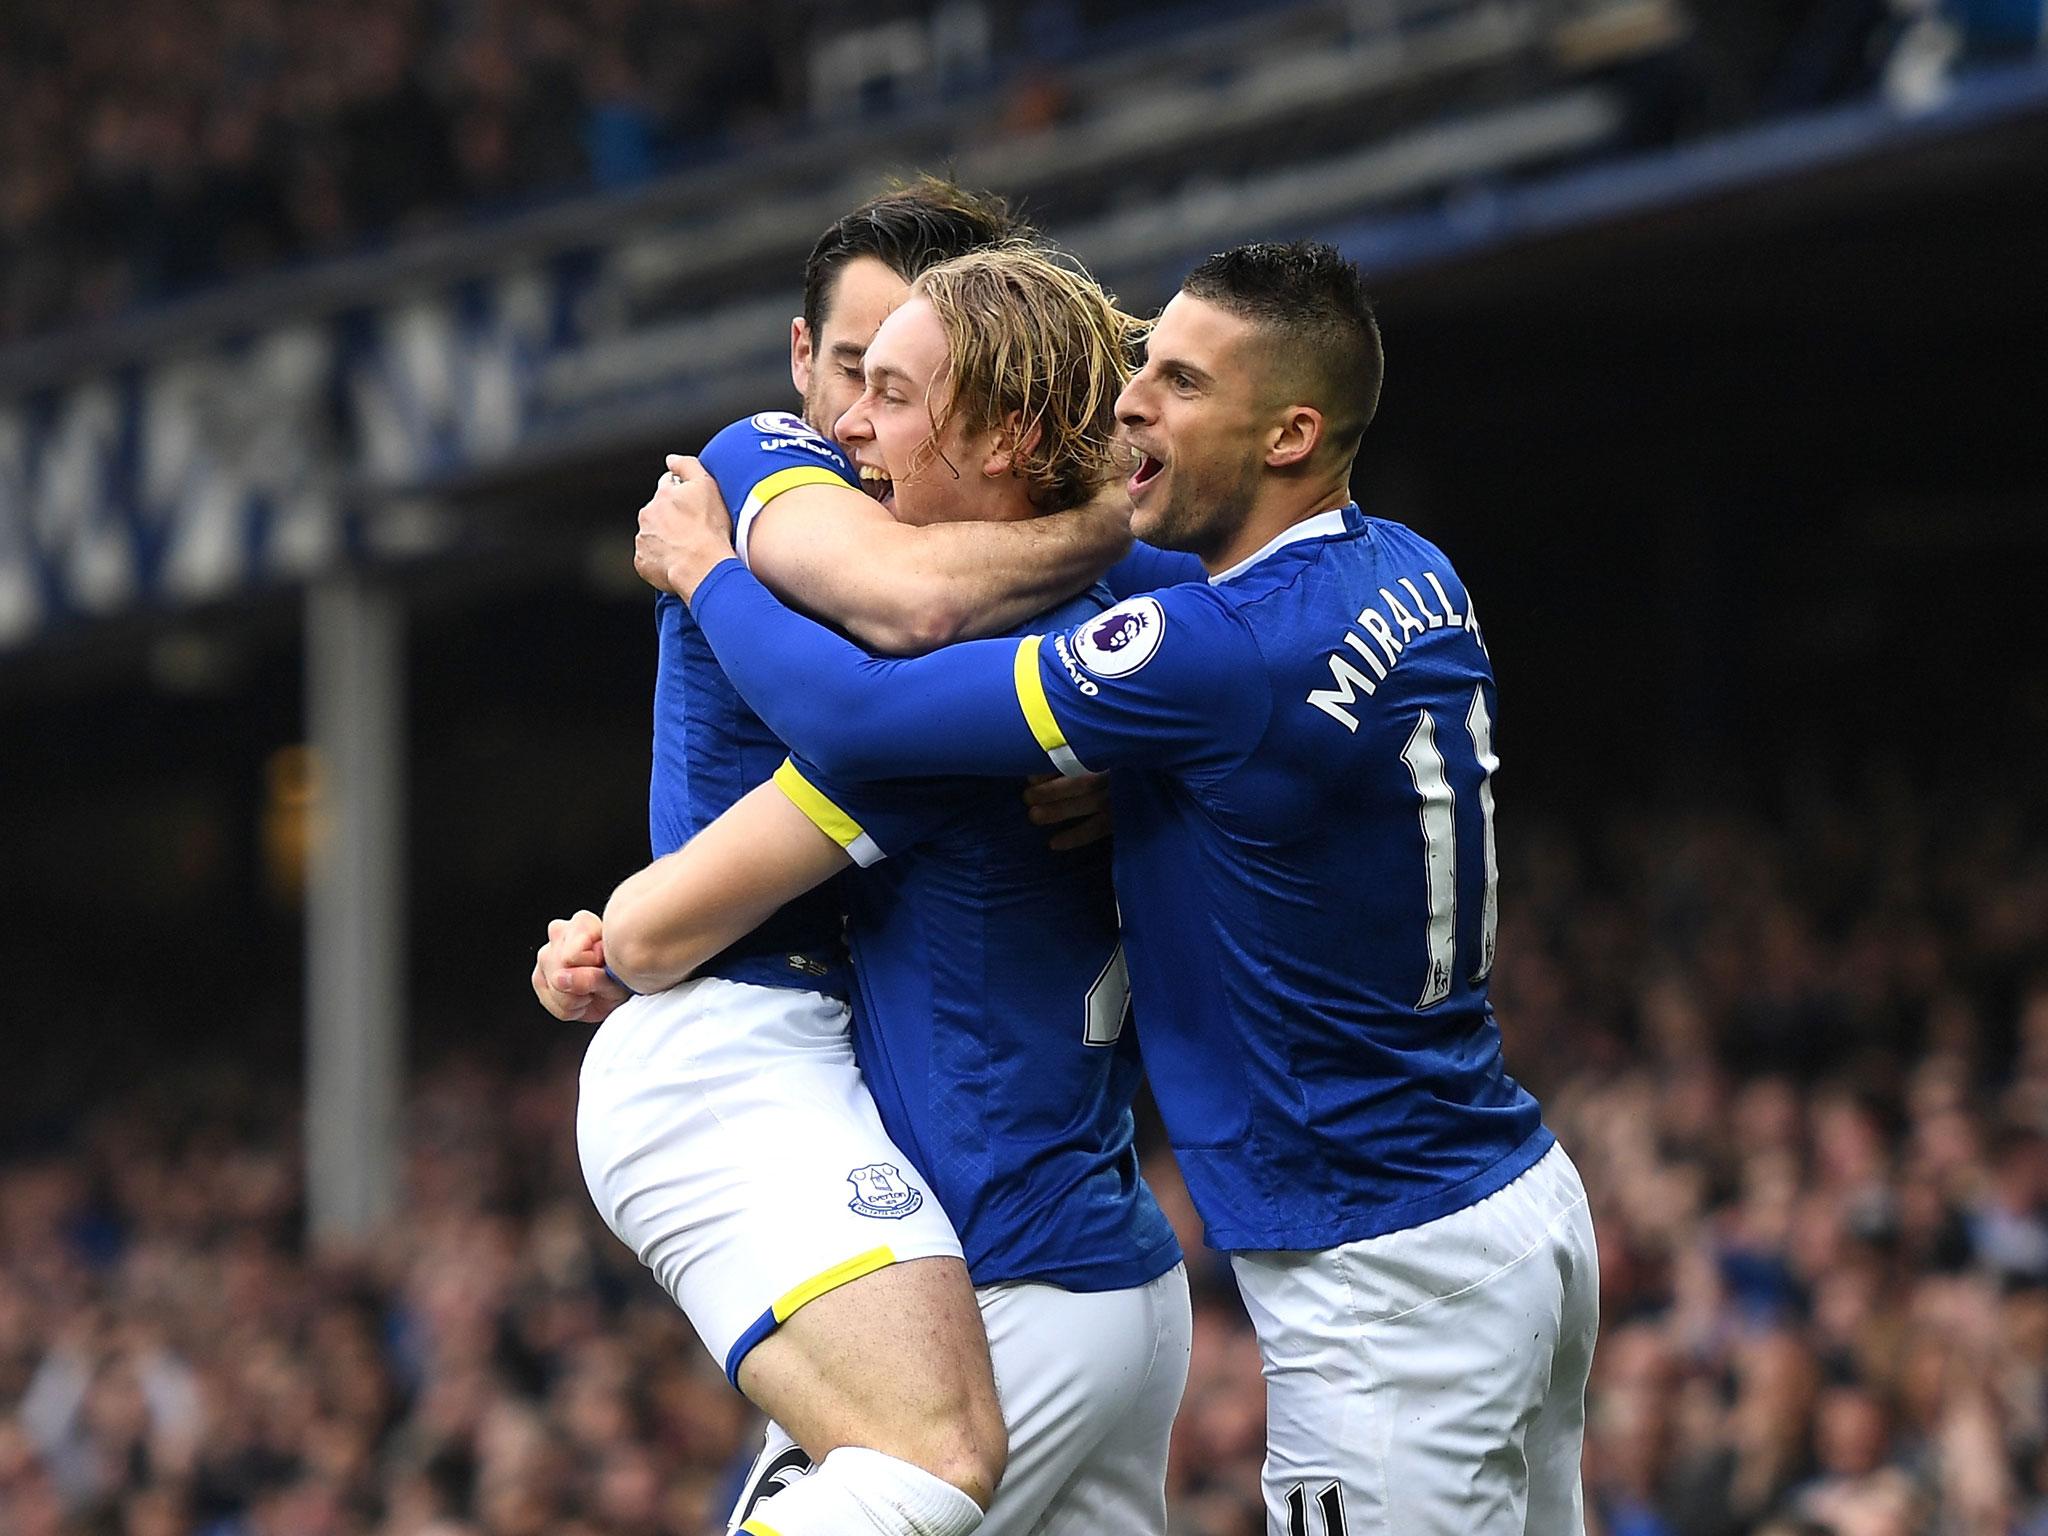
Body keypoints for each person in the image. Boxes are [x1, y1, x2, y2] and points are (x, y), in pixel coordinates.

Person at [634, 240, 1602, 1536]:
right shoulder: (1411, 569)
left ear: (1289, 434)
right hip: (1514, 1200)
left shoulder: (1202, 657)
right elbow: (1224, 724)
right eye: (1144, 366)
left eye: (1185, 384)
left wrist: (712, 572)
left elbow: (862, 717)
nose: (1136, 403)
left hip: (1376, 1272)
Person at [534, 198, 1175, 1536]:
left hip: (1004, 1239)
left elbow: (892, 668)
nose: (856, 426)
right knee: (917, 1465)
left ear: (997, 411)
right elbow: (909, 599)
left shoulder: (952, 688)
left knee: (908, 1474)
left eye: (900, 381)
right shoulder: (770, 465)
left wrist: (708, 575)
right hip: (836, 1104)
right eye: (849, 371)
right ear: (794, 360)